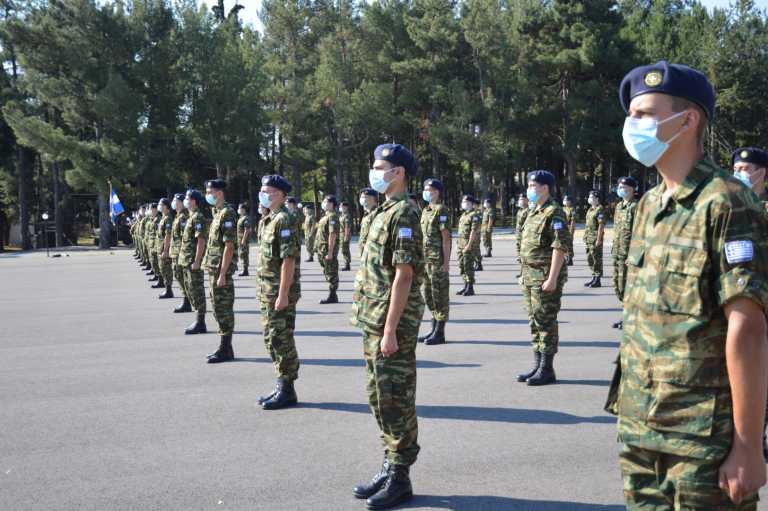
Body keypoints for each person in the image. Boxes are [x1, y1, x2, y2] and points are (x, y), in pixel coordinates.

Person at [610, 60, 768, 509]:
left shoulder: (727, 202)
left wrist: (748, 446)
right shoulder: (649, 205)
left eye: (645, 114)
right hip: (640, 428)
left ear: (687, 120)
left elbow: (748, 330)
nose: (633, 125)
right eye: (631, 115)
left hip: (702, 440)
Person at [351, 143, 424, 510]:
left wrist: (391, 330)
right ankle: (389, 463)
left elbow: (404, 276)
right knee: (379, 396)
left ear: (399, 172)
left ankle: (400, 476)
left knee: (395, 398)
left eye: (380, 167)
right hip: (373, 318)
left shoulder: (405, 213)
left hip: (391, 323)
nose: (374, 172)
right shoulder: (382, 212)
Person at [730, 146, 768, 460]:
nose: (740, 174)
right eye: (736, 169)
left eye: (746, 169)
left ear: (762, 173)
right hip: (738, 303)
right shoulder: (730, 208)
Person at [517, 171, 571, 386]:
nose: (529, 189)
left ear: (545, 188)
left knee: (546, 321)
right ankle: (537, 365)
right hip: (530, 276)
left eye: (533, 185)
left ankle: (547, 369)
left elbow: (560, 247)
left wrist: (552, 278)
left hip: (545, 277)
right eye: (529, 185)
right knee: (534, 321)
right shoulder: (532, 212)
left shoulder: (555, 212)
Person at [255, 175, 302, 410]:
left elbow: (288, 260)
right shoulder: (268, 219)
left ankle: (287, 388)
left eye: (268, 191)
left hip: (278, 292)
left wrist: (283, 294)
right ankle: (281, 384)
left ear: (281, 195)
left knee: (281, 339)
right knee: (271, 338)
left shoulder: (284, 220)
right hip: (267, 290)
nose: (263, 194)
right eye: (262, 190)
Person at [203, 178, 238, 364]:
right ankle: (225, 348)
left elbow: (229, 246)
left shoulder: (227, 214)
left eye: (210, 192)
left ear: (219, 192)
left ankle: (226, 348)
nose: (208, 195)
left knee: (223, 309)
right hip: (213, 268)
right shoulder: (217, 213)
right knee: (217, 308)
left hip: (220, 270)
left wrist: (223, 273)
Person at [419, 178, 451, 345]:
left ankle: (440, 332)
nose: (426, 192)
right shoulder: (426, 211)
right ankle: (433, 329)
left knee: (439, 296)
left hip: (437, 260)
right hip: (426, 260)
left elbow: (446, 239)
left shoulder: (441, 210)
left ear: (437, 192)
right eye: (425, 189)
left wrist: (446, 263)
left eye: (429, 190)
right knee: (429, 295)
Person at [610, 177, 638, 329]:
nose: (622, 190)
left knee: (627, 286)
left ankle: (629, 318)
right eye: (620, 187)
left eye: (625, 187)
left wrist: (634, 254)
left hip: (629, 255)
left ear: (633, 189)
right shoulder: (619, 206)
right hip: (617, 252)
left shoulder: (636, 207)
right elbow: (617, 230)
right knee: (618, 286)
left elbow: (640, 233)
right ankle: (626, 315)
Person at [180, 190, 209, 335]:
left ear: (194, 201)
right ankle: (198, 320)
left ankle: (200, 322)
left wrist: (197, 261)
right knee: (191, 290)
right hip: (187, 260)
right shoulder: (191, 217)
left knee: (197, 291)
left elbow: (201, 241)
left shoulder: (198, 218)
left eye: (188, 198)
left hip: (193, 261)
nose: (185, 200)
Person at [316, 195, 340, 304]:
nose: (325, 203)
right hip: (322, 249)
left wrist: (330, 252)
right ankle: (332, 294)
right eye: (324, 201)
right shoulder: (326, 216)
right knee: (327, 271)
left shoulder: (332, 217)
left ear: (333, 205)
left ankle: (333, 295)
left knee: (331, 272)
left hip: (327, 249)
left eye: (328, 202)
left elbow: (332, 234)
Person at [170, 193, 192, 313]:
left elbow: (185, 237)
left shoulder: (183, 217)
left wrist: (182, 253)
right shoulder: (178, 216)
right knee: (178, 276)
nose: (174, 203)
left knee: (182, 277)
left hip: (180, 253)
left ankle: (187, 301)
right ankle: (186, 300)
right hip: (176, 252)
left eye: (177, 201)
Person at [456, 194, 481, 296]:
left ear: (471, 203)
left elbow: (473, 231)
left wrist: (469, 245)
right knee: (462, 266)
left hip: (468, 245)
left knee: (468, 266)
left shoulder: (474, 215)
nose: (464, 203)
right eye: (463, 202)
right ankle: (465, 285)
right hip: (461, 244)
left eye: (466, 202)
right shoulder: (464, 215)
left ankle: (470, 287)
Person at [583, 190, 605, 287]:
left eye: (592, 197)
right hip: (589, 238)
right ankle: (594, 277)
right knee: (590, 259)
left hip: (595, 238)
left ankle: (597, 279)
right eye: (589, 197)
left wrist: (599, 239)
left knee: (596, 259)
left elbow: (601, 225)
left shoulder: (600, 209)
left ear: (597, 199)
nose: (590, 199)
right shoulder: (590, 210)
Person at [157, 198, 175, 299]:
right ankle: (167, 289)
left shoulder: (168, 218)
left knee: (167, 269)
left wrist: (166, 250)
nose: (160, 206)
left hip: (165, 248)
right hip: (161, 247)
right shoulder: (163, 218)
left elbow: (168, 235)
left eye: (161, 205)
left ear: (166, 207)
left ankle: (169, 291)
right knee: (163, 269)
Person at [358, 188, 378, 256]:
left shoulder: (377, 214)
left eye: (364, 197)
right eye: (361, 197)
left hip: (372, 253)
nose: (361, 199)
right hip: (364, 252)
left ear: (372, 198)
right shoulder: (366, 214)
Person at [515, 194, 529, 277]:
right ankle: (522, 272)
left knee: (524, 254)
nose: (520, 200)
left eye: (522, 199)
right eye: (520, 199)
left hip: (524, 235)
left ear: (527, 200)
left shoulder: (528, 210)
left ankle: (525, 273)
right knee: (519, 254)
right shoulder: (520, 210)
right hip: (519, 235)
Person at [236, 203, 252, 277]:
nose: (239, 210)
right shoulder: (241, 218)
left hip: (243, 240)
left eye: (240, 209)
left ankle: (245, 270)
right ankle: (245, 270)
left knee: (244, 255)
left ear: (244, 210)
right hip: (240, 239)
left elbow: (247, 230)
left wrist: (243, 240)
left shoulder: (245, 218)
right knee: (242, 254)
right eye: (239, 208)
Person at [562, 195, 576, 266]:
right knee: (563, 244)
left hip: (569, 227)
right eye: (564, 200)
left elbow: (573, 221)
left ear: (570, 201)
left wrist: (571, 231)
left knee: (569, 244)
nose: (565, 201)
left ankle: (570, 258)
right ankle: (565, 257)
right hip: (563, 228)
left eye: (566, 200)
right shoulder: (563, 209)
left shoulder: (572, 210)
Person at [340, 201, 352, 271]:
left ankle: (347, 265)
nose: (341, 208)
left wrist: (346, 236)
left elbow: (347, 227)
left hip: (345, 234)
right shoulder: (342, 215)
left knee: (345, 250)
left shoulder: (347, 216)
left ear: (346, 207)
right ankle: (346, 263)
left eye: (342, 206)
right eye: (341, 206)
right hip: (341, 234)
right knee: (343, 250)